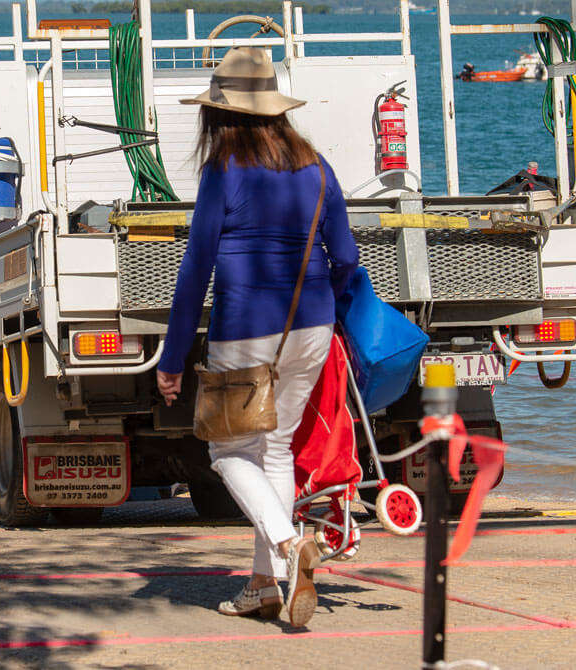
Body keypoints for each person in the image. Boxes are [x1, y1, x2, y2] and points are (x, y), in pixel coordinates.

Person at [156, 47, 359, 629]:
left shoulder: (224, 169)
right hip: (312, 324)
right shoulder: (317, 165)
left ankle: (289, 544)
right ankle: (266, 586)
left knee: (226, 452)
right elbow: (345, 257)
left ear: (221, 114)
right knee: (275, 448)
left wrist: (172, 358)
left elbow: (196, 268)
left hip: (246, 326)